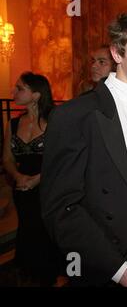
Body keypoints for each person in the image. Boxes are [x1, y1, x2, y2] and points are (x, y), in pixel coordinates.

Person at [40, 7, 127, 287]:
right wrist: (120, 269)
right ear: (116, 53)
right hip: (102, 259)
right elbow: (61, 209)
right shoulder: (74, 115)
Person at [3, 72, 58, 286]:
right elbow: (7, 158)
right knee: (26, 228)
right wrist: (17, 176)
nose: (13, 92)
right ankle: (29, 274)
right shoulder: (13, 124)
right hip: (22, 187)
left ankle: (47, 275)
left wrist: (37, 179)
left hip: (47, 187)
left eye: (20, 88)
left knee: (44, 231)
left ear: (35, 95)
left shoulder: (54, 121)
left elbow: (61, 159)